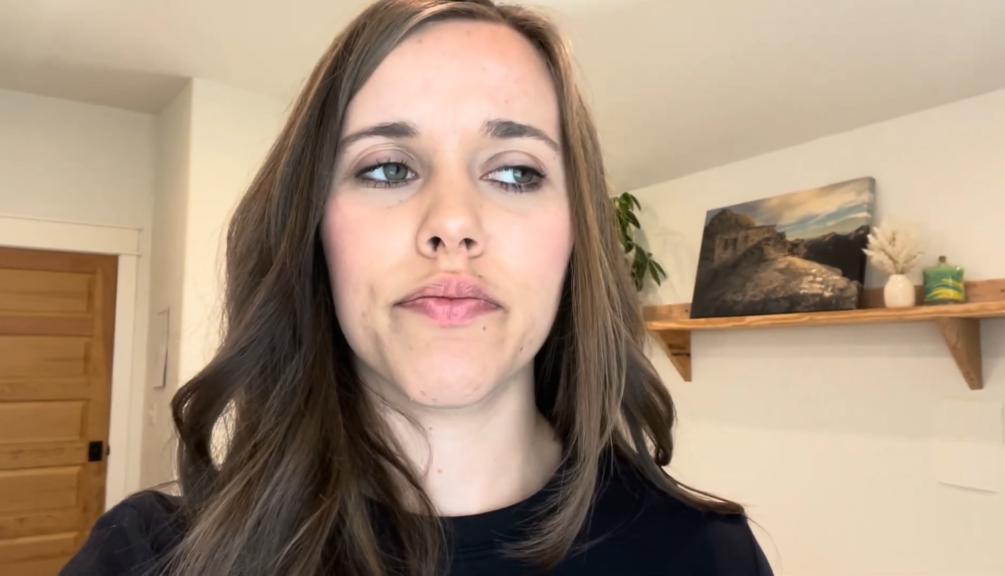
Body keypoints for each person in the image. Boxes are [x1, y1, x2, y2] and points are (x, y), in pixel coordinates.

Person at [63, 0, 773, 574]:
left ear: (576, 237)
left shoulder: (709, 556)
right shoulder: (149, 555)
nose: (452, 223)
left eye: (516, 171)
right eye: (387, 168)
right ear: (313, 230)